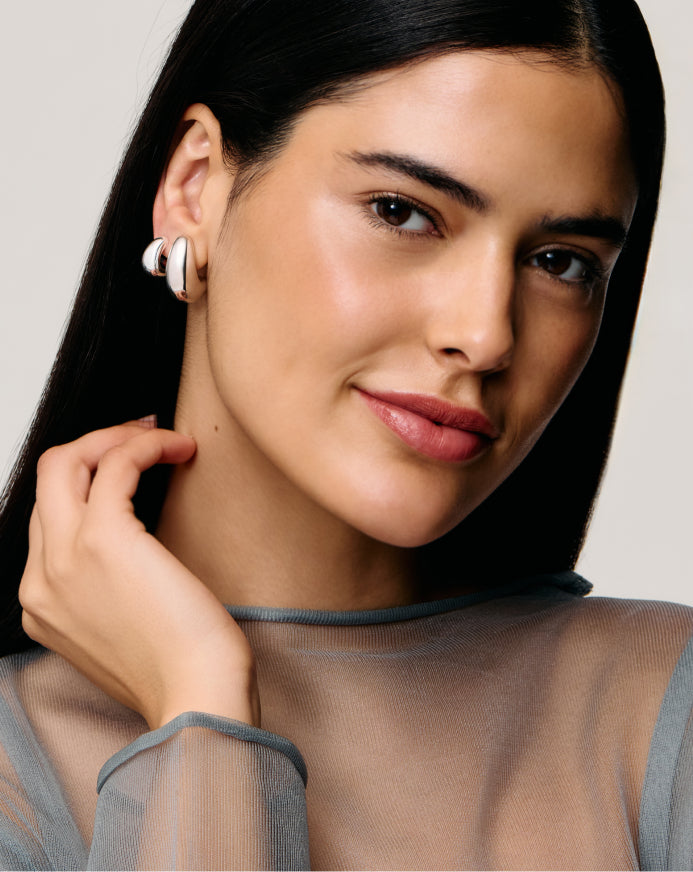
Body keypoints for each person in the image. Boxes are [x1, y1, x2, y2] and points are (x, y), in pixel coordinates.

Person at [0, 0, 689, 868]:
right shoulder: (17, 770)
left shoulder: (657, 711)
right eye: (402, 211)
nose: (484, 336)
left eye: (560, 262)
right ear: (195, 185)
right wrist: (199, 711)